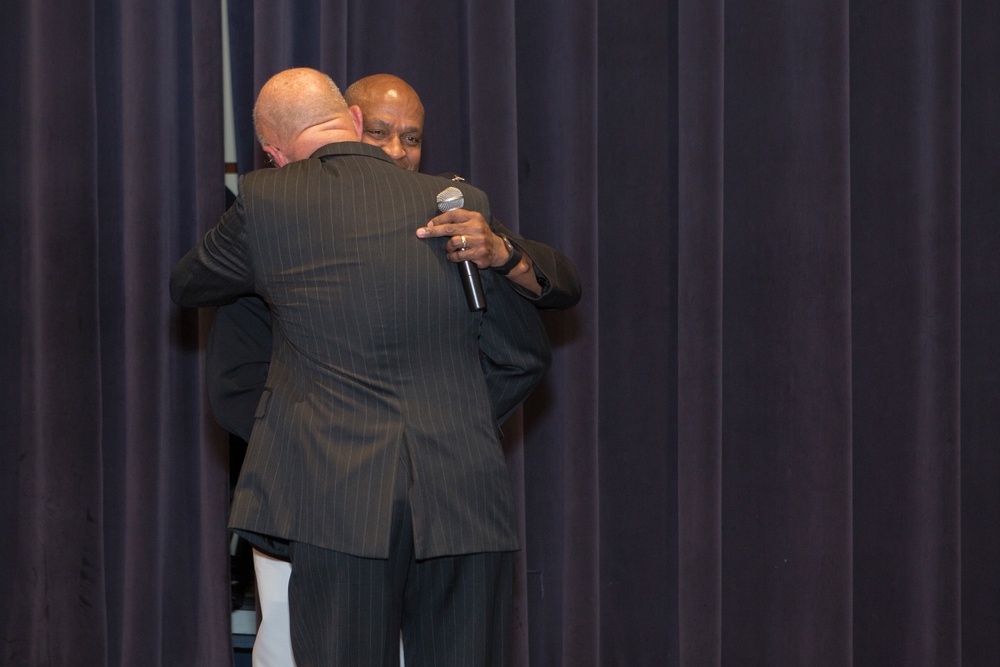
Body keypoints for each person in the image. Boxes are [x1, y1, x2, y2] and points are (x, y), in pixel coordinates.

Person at [172, 67, 551, 666]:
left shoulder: (268, 200)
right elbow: (523, 354)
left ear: (273, 151)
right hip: (464, 492)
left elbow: (188, 284)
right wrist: (460, 420)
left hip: (337, 494)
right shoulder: (461, 208)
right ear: (351, 121)